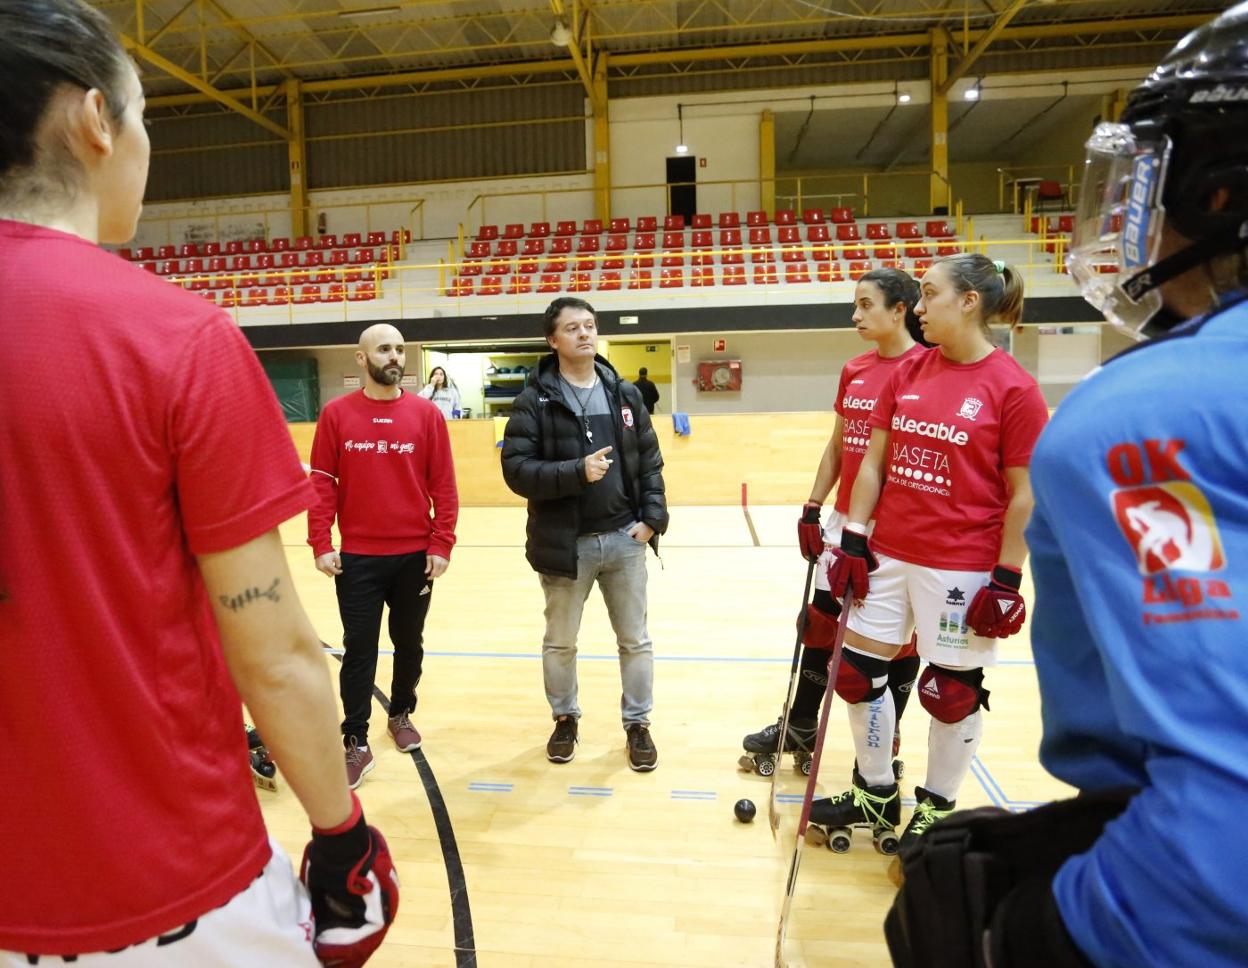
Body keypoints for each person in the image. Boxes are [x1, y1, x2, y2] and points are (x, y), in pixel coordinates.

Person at [0, 2, 397, 964]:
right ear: (97, 120)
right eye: (146, 118)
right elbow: (276, 656)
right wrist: (343, 839)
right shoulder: (174, 338)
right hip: (163, 889)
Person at [887, 8, 1248, 966]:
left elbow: (1231, 822)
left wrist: (1043, 933)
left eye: (1154, 178)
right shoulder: (905, 380)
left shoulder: (1149, 413)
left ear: (1218, 193)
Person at [824, 253, 1049, 853]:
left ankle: (937, 807)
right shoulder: (910, 371)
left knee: (949, 691)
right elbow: (872, 460)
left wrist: (1006, 578)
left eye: (929, 295)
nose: (918, 308)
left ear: (969, 301)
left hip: (961, 563)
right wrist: (854, 536)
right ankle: (875, 788)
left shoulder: (1015, 389)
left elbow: (1024, 494)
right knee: (855, 673)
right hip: (889, 553)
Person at [741, 269, 927, 798]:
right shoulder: (856, 369)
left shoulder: (927, 370)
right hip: (844, 523)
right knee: (819, 626)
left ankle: (883, 748)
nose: (855, 315)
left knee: (896, 644)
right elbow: (839, 445)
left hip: (897, 536)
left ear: (899, 309)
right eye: (855, 304)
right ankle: (801, 725)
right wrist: (813, 504)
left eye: (866, 305)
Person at [501, 297, 669, 771]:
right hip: (565, 545)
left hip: (624, 540)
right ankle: (565, 718)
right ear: (552, 340)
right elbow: (516, 470)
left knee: (635, 640)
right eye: (572, 328)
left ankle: (638, 725)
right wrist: (576, 471)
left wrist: (652, 519)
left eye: (590, 326)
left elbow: (649, 461)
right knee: (560, 642)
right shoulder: (535, 400)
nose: (584, 334)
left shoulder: (623, 393)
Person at [308, 324, 459, 789]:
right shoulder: (335, 415)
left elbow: (445, 487)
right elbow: (320, 485)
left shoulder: (426, 415)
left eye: (399, 349)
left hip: (414, 556)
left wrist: (441, 543)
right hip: (357, 559)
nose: (394, 356)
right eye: (384, 349)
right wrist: (321, 543)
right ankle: (355, 737)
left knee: (409, 643)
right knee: (359, 650)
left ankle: (400, 713)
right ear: (361, 359)